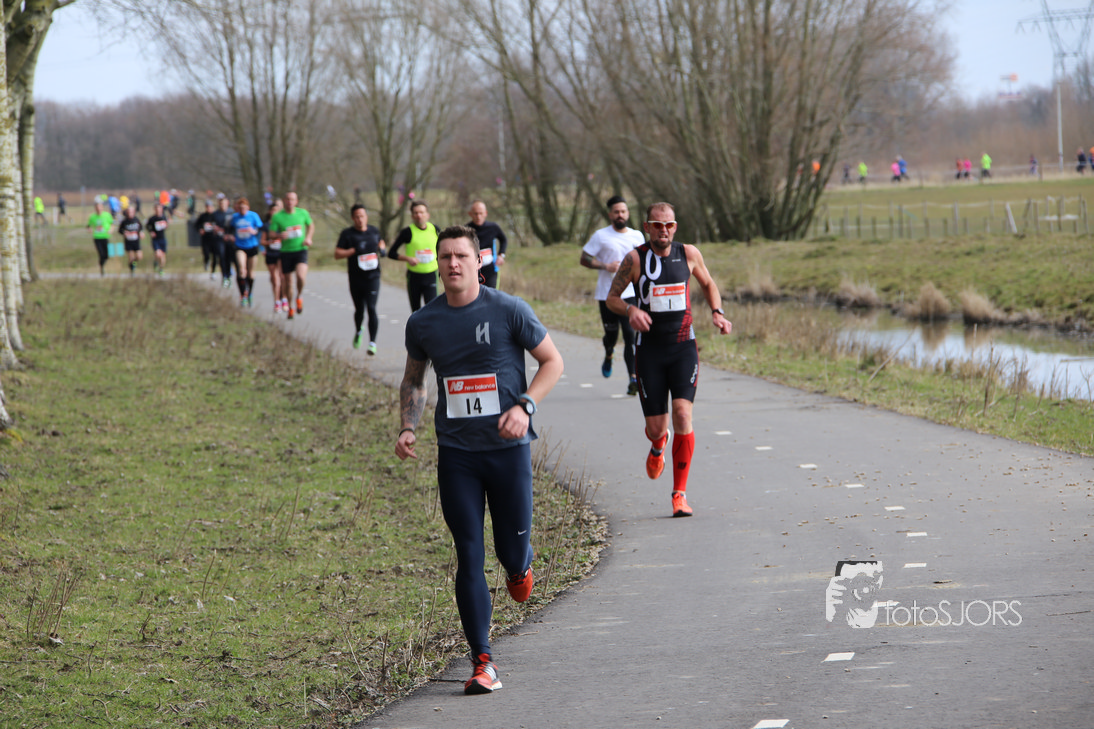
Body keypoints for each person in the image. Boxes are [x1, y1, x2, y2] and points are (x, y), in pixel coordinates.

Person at [395, 225, 564, 695]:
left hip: (508, 453)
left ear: (479, 261)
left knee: (511, 554)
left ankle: (520, 566)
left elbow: (552, 362)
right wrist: (407, 426)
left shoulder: (509, 310)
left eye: (461, 256)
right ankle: (483, 661)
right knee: (468, 552)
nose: (452, 263)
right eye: (445, 256)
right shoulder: (423, 322)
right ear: (437, 263)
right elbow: (414, 380)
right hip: (457, 455)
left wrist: (525, 406)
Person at [606, 202, 732, 518]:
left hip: (683, 348)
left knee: (683, 415)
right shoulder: (635, 259)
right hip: (649, 352)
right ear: (647, 227)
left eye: (669, 225)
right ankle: (658, 443)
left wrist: (717, 312)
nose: (664, 231)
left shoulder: (688, 254)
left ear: (675, 227)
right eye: (658, 225)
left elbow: (708, 284)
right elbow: (612, 299)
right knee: (656, 427)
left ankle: (679, 494)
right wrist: (631, 310)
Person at [580, 195, 644, 395]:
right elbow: (584, 259)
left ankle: (633, 378)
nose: (620, 215)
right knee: (611, 336)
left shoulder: (637, 236)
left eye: (623, 211)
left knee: (630, 335)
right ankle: (609, 353)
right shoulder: (601, 236)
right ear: (610, 215)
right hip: (606, 295)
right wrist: (605, 265)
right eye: (616, 212)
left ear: (628, 213)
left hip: (630, 293)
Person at [334, 204, 386, 353]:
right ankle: (358, 330)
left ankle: (372, 343)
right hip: (356, 278)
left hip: (373, 277)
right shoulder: (347, 234)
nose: (360, 219)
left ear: (366, 216)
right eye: (357, 217)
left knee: (371, 308)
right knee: (359, 309)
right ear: (352, 218)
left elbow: (380, 241)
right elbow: (337, 254)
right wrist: (353, 250)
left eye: (362, 216)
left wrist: (382, 248)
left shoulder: (373, 231)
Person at [268, 190, 314, 319]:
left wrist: (308, 238)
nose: (290, 202)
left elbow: (311, 225)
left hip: (301, 249)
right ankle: (290, 306)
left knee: (300, 276)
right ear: (284, 201)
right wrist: (279, 235)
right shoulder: (277, 216)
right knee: (288, 283)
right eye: (288, 199)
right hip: (286, 252)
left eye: (292, 199)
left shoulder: (302, 213)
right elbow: (271, 234)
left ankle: (299, 296)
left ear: (296, 201)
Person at [387, 199, 439, 312]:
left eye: (421, 212)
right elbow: (391, 253)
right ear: (412, 216)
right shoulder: (407, 232)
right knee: (416, 311)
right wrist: (407, 258)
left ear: (427, 215)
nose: (419, 215)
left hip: (431, 275)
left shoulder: (435, 229)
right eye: (416, 213)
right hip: (414, 277)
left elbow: (443, 248)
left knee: (433, 310)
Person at [228, 197, 264, 306]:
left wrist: (254, 231)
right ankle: (243, 294)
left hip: (252, 246)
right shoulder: (235, 217)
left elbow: (260, 228)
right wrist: (231, 236)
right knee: (242, 270)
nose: (242, 210)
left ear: (248, 208)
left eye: (244, 208)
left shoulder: (253, 216)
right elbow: (230, 228)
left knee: (251, 273)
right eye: (240, 208)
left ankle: (250, 293)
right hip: (240, 246)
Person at [466, 200, 508, 288]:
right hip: (472, 271)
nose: (478, 216)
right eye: (475, 214)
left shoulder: (493, 227)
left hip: (491, 269)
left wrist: (501, 255)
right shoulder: (466, 229)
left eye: (481, 213)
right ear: (470, 214)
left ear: (486, 213)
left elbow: (503, 240)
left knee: (491, 295)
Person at [262, 198, 286, 313]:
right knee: (275, 279)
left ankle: (284, 299)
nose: (275, 213)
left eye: (277, 210)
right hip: (271, 253)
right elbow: (262, 241)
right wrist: (270, 242)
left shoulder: (282, 224)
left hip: (282, 253)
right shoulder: (267, 225)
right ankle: (277, 302)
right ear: (270, 212)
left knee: (282, 277)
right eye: (273, 210)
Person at [194, 200, 221, 277]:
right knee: (206, 254)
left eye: (210, 207)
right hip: (205, 239)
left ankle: (213, 272)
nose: (208, 208)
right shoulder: (203, 216)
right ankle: (206, 262)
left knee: (215, 256)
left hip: (214, 239)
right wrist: (200, 229)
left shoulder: (215, 216)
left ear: (212, 207)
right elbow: (197, 225)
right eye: (207, 207)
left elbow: (220, 225)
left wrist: (218, 229)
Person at [213, 195, 235, 288]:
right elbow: (212, 225)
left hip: (229, 239)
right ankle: (224, 276)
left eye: (224, 203)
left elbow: (234, 226)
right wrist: (215, 229)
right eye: (220, 203)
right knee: (221, 256)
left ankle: (229, 275)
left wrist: (230, 235)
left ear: (227, 203)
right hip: (220, 239)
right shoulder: (215, 214)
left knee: (229, 258)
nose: (222, 204)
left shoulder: (232, 213)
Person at [87, 201, 113, 276]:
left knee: (107, 255)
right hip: (97, 237)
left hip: (106, 236)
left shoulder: (107, 215)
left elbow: (112, 224)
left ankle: (102, 264)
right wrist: (89, 229)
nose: (99, 209)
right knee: (101, 253)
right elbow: (88, 226)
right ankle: (102, 267)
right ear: (95, 208)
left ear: (102, 208)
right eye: (97, 208)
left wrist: (111, 230)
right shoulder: (92, 216)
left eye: (100, 207)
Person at [117, 205, 144, 275]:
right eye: (129, 212)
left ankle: (133, 263)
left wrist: (141, 233)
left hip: (136, 241)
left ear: (134, 212)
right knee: (131, 256)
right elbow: (120, 230)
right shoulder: (124, 221)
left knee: (139, 256)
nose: (130, 213)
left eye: (131, 212)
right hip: (128, 241)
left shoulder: (136, 220)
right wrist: (124, 232)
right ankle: (132, 270)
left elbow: (141, 228)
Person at [145, 203, 170, 276]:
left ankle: (161, 269)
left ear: (161, 209)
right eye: (157, 209)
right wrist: (151, 232)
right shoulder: (152, 219)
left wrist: (167, 225)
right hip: (155, 239)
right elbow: (147, 226)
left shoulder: (164, 217)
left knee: (163, 255)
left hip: (162, 238)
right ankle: (156, 262)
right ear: (155, 210)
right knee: (158, 254)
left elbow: (166, 225)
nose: (158, 210)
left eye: (160, 208)